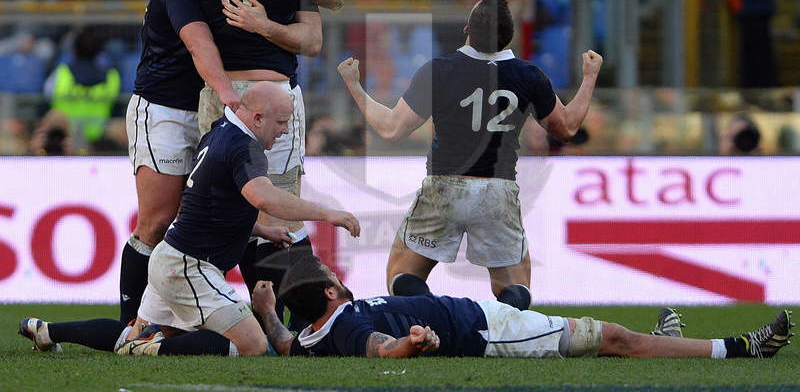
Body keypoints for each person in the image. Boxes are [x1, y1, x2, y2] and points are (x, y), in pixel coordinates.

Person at [18, 0, 238, 354]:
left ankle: (165, 317)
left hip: (197, 110)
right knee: (157, 220)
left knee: (196, 219)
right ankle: (127, 320)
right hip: (162, 110)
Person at [152, 0, 344, 326]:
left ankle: (194, 317)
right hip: (270, 96)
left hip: (219, 97)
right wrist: (265, 25)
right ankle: (303, 320)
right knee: (282, 206)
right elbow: (316, 32)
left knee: (223, 204)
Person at [338, 0, 601, 307]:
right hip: (497, 189)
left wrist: (354, 86)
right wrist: (589, 77)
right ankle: (499, 335)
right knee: (514, 286)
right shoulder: (528, 74)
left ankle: (440, 324)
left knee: (403, 275)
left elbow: (392, 128)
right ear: (509, 37)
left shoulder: (440, 70)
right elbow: (567, 127)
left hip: (444, 186)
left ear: (467, 30)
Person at [117, 82, 360, 357]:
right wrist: (329, 214)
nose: (286, 130)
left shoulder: (219, 130)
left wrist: (261, 231)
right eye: (281, 122)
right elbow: (265, 198)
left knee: (150, 334)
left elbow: (212, 207)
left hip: (172, 259)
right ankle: (146, 347)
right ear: (257, 118)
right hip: (189, 267)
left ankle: (57, 332)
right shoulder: (242, 146)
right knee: (254, 346)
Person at [253, 255, 794, 360]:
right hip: (489, 332)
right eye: (330, 276)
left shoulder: (308, 336)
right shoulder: (349, 325)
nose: (337, 277)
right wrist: (409, 345)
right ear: (329, 294)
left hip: (485, 321)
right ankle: (740, 347)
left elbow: (283, 343)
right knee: (611, 339)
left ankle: (670, 335)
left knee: (608, 340)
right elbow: (376, 350)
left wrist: (266, 309)